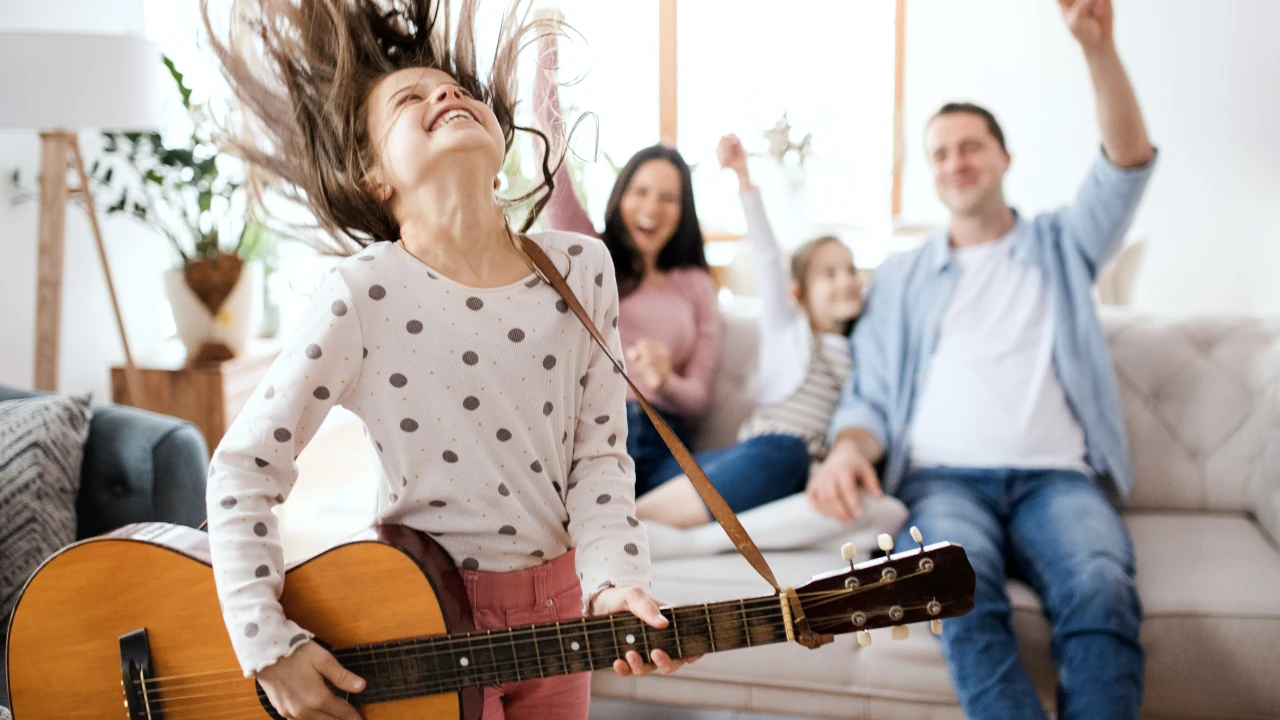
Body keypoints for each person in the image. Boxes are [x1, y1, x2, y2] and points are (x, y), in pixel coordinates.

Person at [201, 2, 689, 718]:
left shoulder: (581, 268)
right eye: (409, 98)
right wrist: (267, 646)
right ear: (372, 173)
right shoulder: (361, 291)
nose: (446, 95)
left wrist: (613, 581)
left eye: (458, 91)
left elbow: (600, 460)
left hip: (562, 618)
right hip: (421, 617)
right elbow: (244, 467)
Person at [808, 1, 1156, 717]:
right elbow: (869, 395)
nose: (955, 163)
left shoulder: (1063, 244)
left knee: (1100, 585)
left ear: (1004, 157)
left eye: (970, 147)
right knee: (953, 587)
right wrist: (846, 450)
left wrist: (1097, 49)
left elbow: (1125, 163)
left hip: (1056, 480)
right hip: (944, 484)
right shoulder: (902, 276)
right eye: (939, 153)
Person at [533, 29, 812, 526]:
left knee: (786, 455)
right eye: (641, 192)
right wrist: (544, 54)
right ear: (620, 197)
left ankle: (622, 520)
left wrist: (666, 379)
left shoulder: (696, 287)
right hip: (590, 441)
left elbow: (699, 397)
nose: (652, 208)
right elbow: (551, 164)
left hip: (663, 455)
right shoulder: (591, 256)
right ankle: (611, 517)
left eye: (668, 198)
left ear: (683, 211)